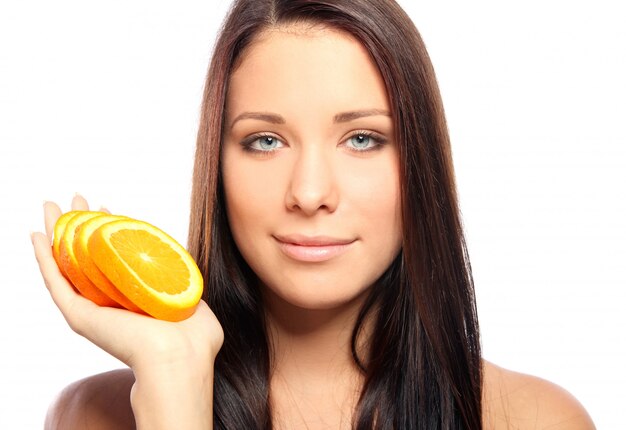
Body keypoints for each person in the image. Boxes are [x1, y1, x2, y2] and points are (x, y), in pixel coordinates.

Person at [31, 0, 595, 428]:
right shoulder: (93, 415)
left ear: (419, 162)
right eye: (266, 141)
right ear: (216, 164)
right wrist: (176, 388)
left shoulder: (537, 418)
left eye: (363, 139)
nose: (308, 192)